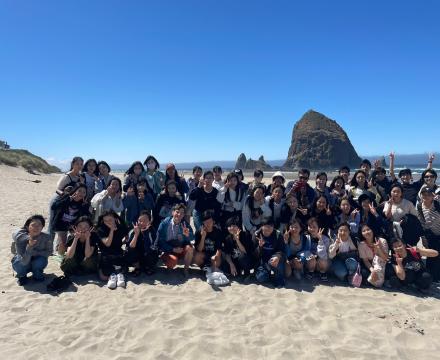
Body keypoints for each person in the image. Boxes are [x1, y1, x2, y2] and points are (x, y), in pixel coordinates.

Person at [48, 156, 84, 240]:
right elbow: (57, 190)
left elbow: (80, 188)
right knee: (53, 223)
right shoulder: (67, 176)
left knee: (64, 224)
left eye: (81, 164)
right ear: (72, 164)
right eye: (77, 164)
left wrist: (81, 182)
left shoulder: (80, 177)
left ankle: (59, 245)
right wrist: (66, 194)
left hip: (69, 202)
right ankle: (48, 244)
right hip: (59, 200)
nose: (79, 166)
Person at [11, 215, 52, 285]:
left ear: (42, 227)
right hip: (23, 261)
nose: (36, 227)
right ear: (27, 227)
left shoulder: (46, 237)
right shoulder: (20, 239)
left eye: (39, 225)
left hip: (37, 260)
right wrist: (29, 246)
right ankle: (22, 276)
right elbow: (24, 261)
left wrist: (34, 253)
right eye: (33, 225)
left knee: (40, 261)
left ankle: (37, 274)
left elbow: (49, 252)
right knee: (19, 262)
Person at [51, 183, 90, 255]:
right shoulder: (67, 197)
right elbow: (54, 207)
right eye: (79, 191)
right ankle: (60, 257)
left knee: (79, 239)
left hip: (73, 225)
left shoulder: (84, 203)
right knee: (62, 242)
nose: (81, 193)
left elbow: (86, 217)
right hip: (61, 223)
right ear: (75, 191)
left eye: (84, 192)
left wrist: (84, 207)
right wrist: (68, 200)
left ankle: (73, 254)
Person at [157, 204, 194, 277]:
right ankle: (168, 265)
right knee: (172, 261)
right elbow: (160, 241)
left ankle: (186, 269)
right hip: (169, 250)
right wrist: (172, 249)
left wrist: (187, 235)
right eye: (177, 212)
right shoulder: (165, 223)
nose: (179, 214)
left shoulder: (185, 224)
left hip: (180, 248)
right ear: (172, 212)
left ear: (184, 215)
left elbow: (192, 237)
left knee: (190, 249)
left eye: (182, 213)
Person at [96, 210, 129, 289]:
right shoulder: (100, 229)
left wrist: (123, 242)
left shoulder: (121, 227)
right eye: (105, 221)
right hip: (106, 253)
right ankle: (114, 274)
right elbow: (107, 244)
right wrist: (111, 230)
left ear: (115, 218)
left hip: (118, 252)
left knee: (123, 268)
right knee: (103, 277)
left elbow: (126, 237)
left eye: (110, 220)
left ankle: (117, 274)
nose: (108, 222)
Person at [416, 185, 440, 281]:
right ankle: (432, 276)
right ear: (421, 195)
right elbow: (421, 223)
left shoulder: (438, 204)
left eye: (429, 194)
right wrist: (423, 237)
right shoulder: (419, 206)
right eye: (424, 194)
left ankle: (437, 276)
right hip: (430, 234)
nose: (426, 196)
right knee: (431, 255)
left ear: (433, 195)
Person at [254, 218, 286, 287]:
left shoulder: (278, 234)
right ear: (262, 226)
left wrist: (277, 256)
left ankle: (279, 277)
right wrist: (260, 247)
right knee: (261, 278)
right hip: (263, 261)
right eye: (267, 226)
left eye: (271, 226)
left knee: (276, 262)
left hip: (274, 258)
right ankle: (270, 275)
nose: (270, 228)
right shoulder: (256, 235)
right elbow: (255, 255)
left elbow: (282, 250)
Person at [125, 210, 158, 276]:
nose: (142, 223)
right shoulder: (133, 230)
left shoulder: (152, 231)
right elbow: (130, 247)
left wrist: (146, 234)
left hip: (147, 255)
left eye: (145, 221)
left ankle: (147, 267)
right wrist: (136, 234)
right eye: (140, 220)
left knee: (152, 252)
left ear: (149, 222)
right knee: (130, 250)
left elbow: (151, 247)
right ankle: (137, 268)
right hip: (137, 256)